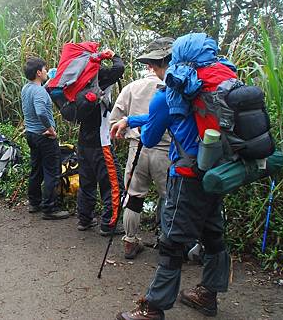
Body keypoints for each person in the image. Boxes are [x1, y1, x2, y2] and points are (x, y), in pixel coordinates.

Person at [112, 34, 230, 319]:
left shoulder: (169, 94)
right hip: (215, 172)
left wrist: (137, 122)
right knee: (213, 233)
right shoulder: (210, 87)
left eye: (154, 63)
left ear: (168, 62)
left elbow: (151, 136)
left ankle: (153, 308)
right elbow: (176, 118)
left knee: (171, 243)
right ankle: (208, 294)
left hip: (185, 176)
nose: (152, 68)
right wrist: (133, 119)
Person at [108, 38, 173, 259]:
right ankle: (169, 242)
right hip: (166, 152)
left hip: (138, 148)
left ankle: (130, 241)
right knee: (168, 198)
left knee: (134, 196)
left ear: (150, 64)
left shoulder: (131, 88)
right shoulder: (174, 88)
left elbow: (114, 120)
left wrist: (128, 133)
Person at [75, 51, 126, 235]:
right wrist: (113, 55)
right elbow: (119, 68)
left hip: (83, 142)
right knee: (113, 183)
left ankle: (85, 219)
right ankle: (109, 223)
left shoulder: (79, 80)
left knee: (86, 182)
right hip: (101, 142)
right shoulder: (100, 77)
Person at [21, 57, 69, 220]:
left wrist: (53, 80)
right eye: (45, 69)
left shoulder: (26, 88)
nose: (47, 71)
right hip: (44, 135)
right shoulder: (39, 92)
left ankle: (35, 202)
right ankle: (50, 208)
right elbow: (41, 111)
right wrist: (51, 130)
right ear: (38, 72)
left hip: (31, 134)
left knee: (37, 169)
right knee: (52, 171)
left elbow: (40, 94)